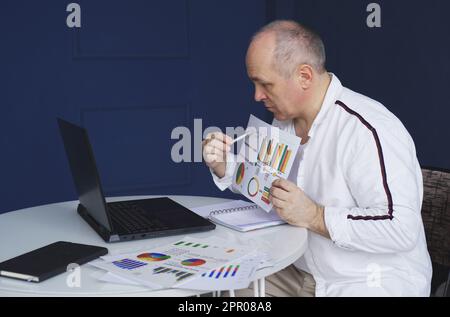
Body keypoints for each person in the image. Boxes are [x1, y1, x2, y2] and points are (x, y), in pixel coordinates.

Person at [202, 20, 432, 297]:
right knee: (217, 290)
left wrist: (315, 216)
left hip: (368, 281)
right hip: (296, 270)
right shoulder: (282, 123)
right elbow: (264, 187)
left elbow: (400, 228)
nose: (257, 96)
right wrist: (225, 166)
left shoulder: (369, 129)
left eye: (265, 84)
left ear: (305, 76)